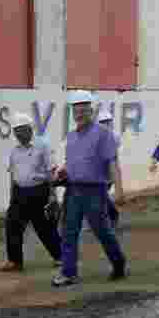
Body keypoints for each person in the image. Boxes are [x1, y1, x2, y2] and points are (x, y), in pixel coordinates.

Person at [51, 90, 130, 287]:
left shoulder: (104, 134)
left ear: (91, 110)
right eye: (76, 111)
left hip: (95, 190)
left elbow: (112, 163)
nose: (79, 114)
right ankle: (69, 272)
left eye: (83, 110)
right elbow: (72, 163)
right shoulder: (71, 137)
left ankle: (118, 262)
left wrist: (119, 189)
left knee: (102, 230)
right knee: (69, 231)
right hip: (73, 190)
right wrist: (63, 173)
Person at [0, 112, 63, 272]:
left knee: (44, 227)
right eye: (16, 131)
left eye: (22, 130)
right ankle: (15, 261)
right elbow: (13, 174)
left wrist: (53, 195)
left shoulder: (42, 146)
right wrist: (12, 195)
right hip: (19, 193)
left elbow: (51, 171)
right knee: (12, 224)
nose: (19, 134)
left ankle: (60, 256)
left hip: (40, 191)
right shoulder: (14, 151)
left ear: (30, 129)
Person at [96, 109, 123, 226]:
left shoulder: (114, 136)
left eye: (108, 121)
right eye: (103, 122)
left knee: (101, 195)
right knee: (100, 195)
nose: (106, 124)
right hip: (97, 171)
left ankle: (110, 216)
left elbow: (113, 157)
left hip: (109, 171)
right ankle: (111, 214)